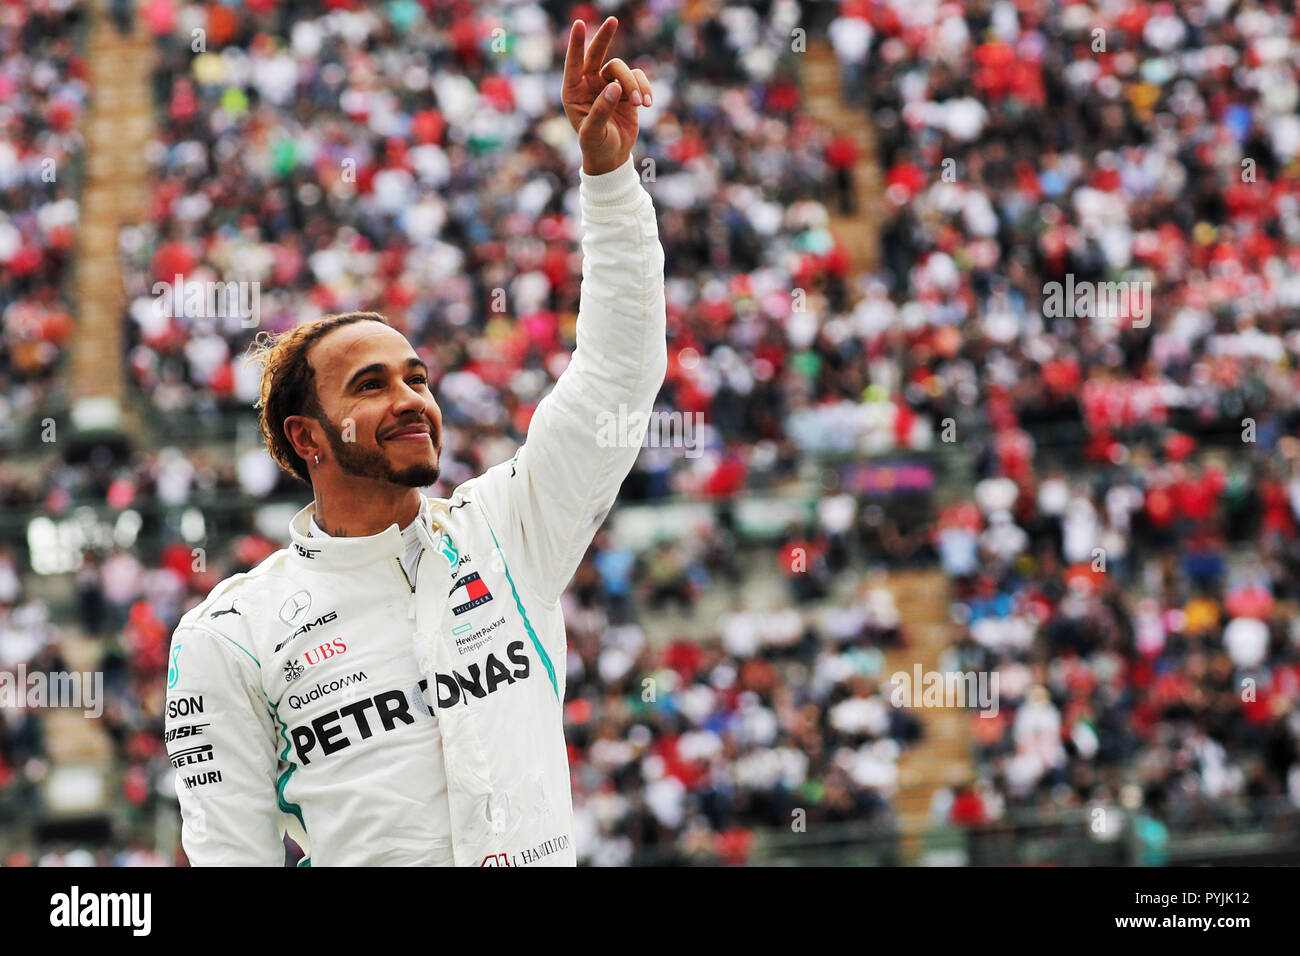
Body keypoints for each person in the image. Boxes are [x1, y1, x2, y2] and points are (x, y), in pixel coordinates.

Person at [162, 17, 665, 867]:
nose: (411, 400)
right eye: (371, 385)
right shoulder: (231, 635)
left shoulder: (509, 530)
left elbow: (618, 373)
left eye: (417, 377)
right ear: (305, 437)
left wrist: (609, 177)